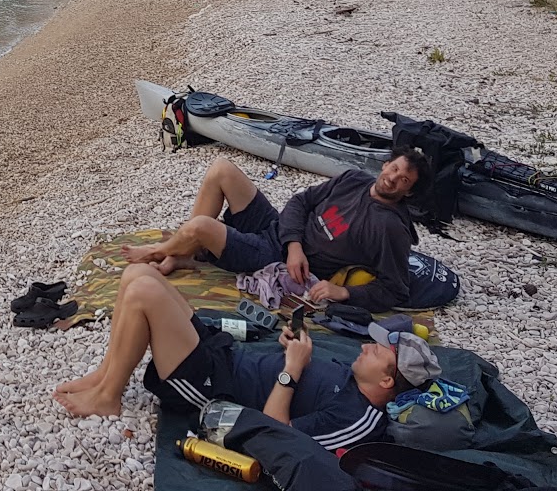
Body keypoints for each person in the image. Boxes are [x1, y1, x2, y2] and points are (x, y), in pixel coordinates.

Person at [55, 263, 441, 455]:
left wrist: (290, 371)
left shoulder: (358, 419)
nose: (366, 346)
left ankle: (109, 396)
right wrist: (291, 348)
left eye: (378, 351)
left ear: (388, 381)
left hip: (214, 389)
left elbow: (278, 435)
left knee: (143, 293)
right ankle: (107, 375)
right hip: (225, 356)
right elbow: (300, 375)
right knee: (139, 272)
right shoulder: (354, 377)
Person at [121, 149, 430, 314]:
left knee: (201, 227)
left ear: (410, 192)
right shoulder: (354, 179)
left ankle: (159, 251)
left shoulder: (390, 228)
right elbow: (301, 201)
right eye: (394, 169)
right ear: (386, 164)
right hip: (280, 231)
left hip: (274, 260)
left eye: (403, 180)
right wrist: (294, 242)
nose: (392, 179)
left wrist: (344, 292)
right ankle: (181, 252)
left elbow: (396, 288)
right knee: (221, 169)